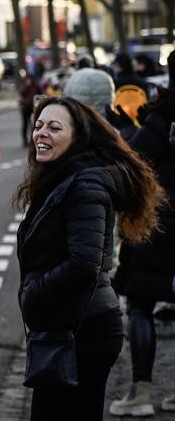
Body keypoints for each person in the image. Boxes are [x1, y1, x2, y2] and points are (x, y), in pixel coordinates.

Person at [13, 96, 163, 420]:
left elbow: (85, 263)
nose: (41, 134)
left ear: (77, 138)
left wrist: (34, 294)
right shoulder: (61, 177)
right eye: (39, 126)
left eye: (54, 128)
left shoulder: (85, 183)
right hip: (71, 324)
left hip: (83, 330)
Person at [109, 69, 175, 416]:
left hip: (158, 227)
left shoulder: (161, 118)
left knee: (140, 304)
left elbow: (132, 164)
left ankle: (141, 393)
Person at [18, 69, 45, 147]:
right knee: (25, 124)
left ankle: (32, 139)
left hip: (32, 106)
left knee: (33, 123)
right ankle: (25, 140)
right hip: (25, 106)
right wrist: (27, 85)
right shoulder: (25, 85)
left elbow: (41, 93)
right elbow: (21, 92)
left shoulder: (36, 85)